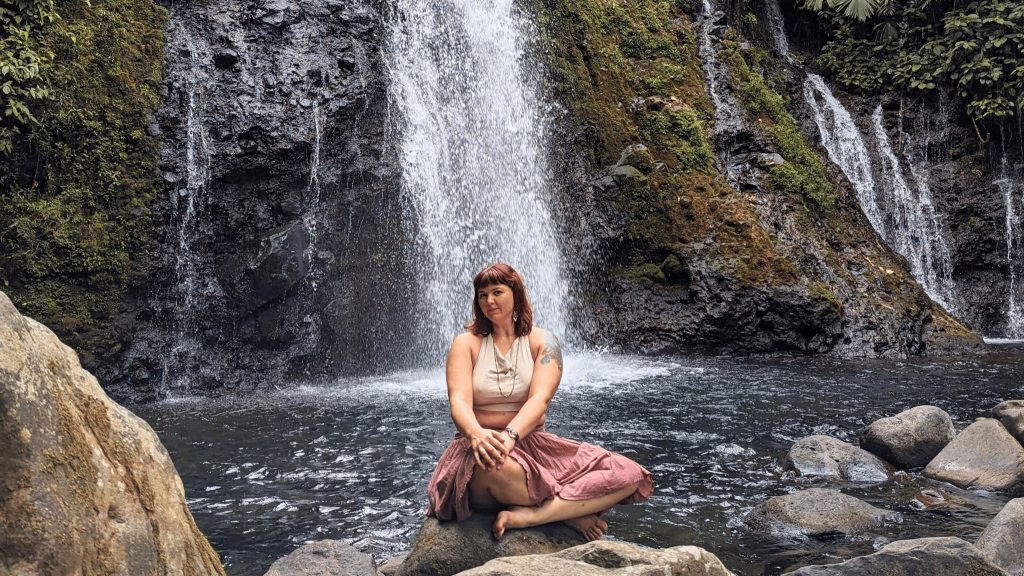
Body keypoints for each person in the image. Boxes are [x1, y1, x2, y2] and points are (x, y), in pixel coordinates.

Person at [426, 263, 653, 540]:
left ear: (516, 294)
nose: (489, 301)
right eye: (482, 295)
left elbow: (540, 399)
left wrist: (511, 436)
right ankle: (571, 512)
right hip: (481, 446)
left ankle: (536, 515)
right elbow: (458, 402)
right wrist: (476, 435)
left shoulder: (544, 342)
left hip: (532, 444)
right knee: (492, 464)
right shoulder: (465, 343)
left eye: (497, 292)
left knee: (629, 474)